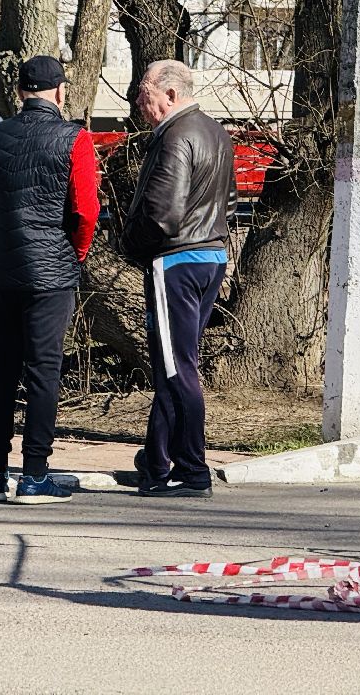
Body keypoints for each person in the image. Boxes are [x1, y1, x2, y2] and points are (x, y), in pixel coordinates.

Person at [0, 56, 99, 504]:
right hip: (51, 270)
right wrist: (74, 253)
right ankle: (35, 473)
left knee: (2, 371)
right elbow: (85, 211)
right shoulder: (74, 138)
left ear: (20, 92)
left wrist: (3, 234)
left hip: (2, 268)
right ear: (60, 92)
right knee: (43, 371)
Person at [122, 60, 235, 499]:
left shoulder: (174, 135)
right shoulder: (215, 131)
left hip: (176, 261)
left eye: (144, 92)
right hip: (210, 257)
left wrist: (130, 245)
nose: (138, 101)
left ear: (169, 95)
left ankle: (192, 470)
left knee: (176, 368)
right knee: (175, 364)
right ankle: (156, 461)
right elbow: (227, 202)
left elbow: (162, 215)